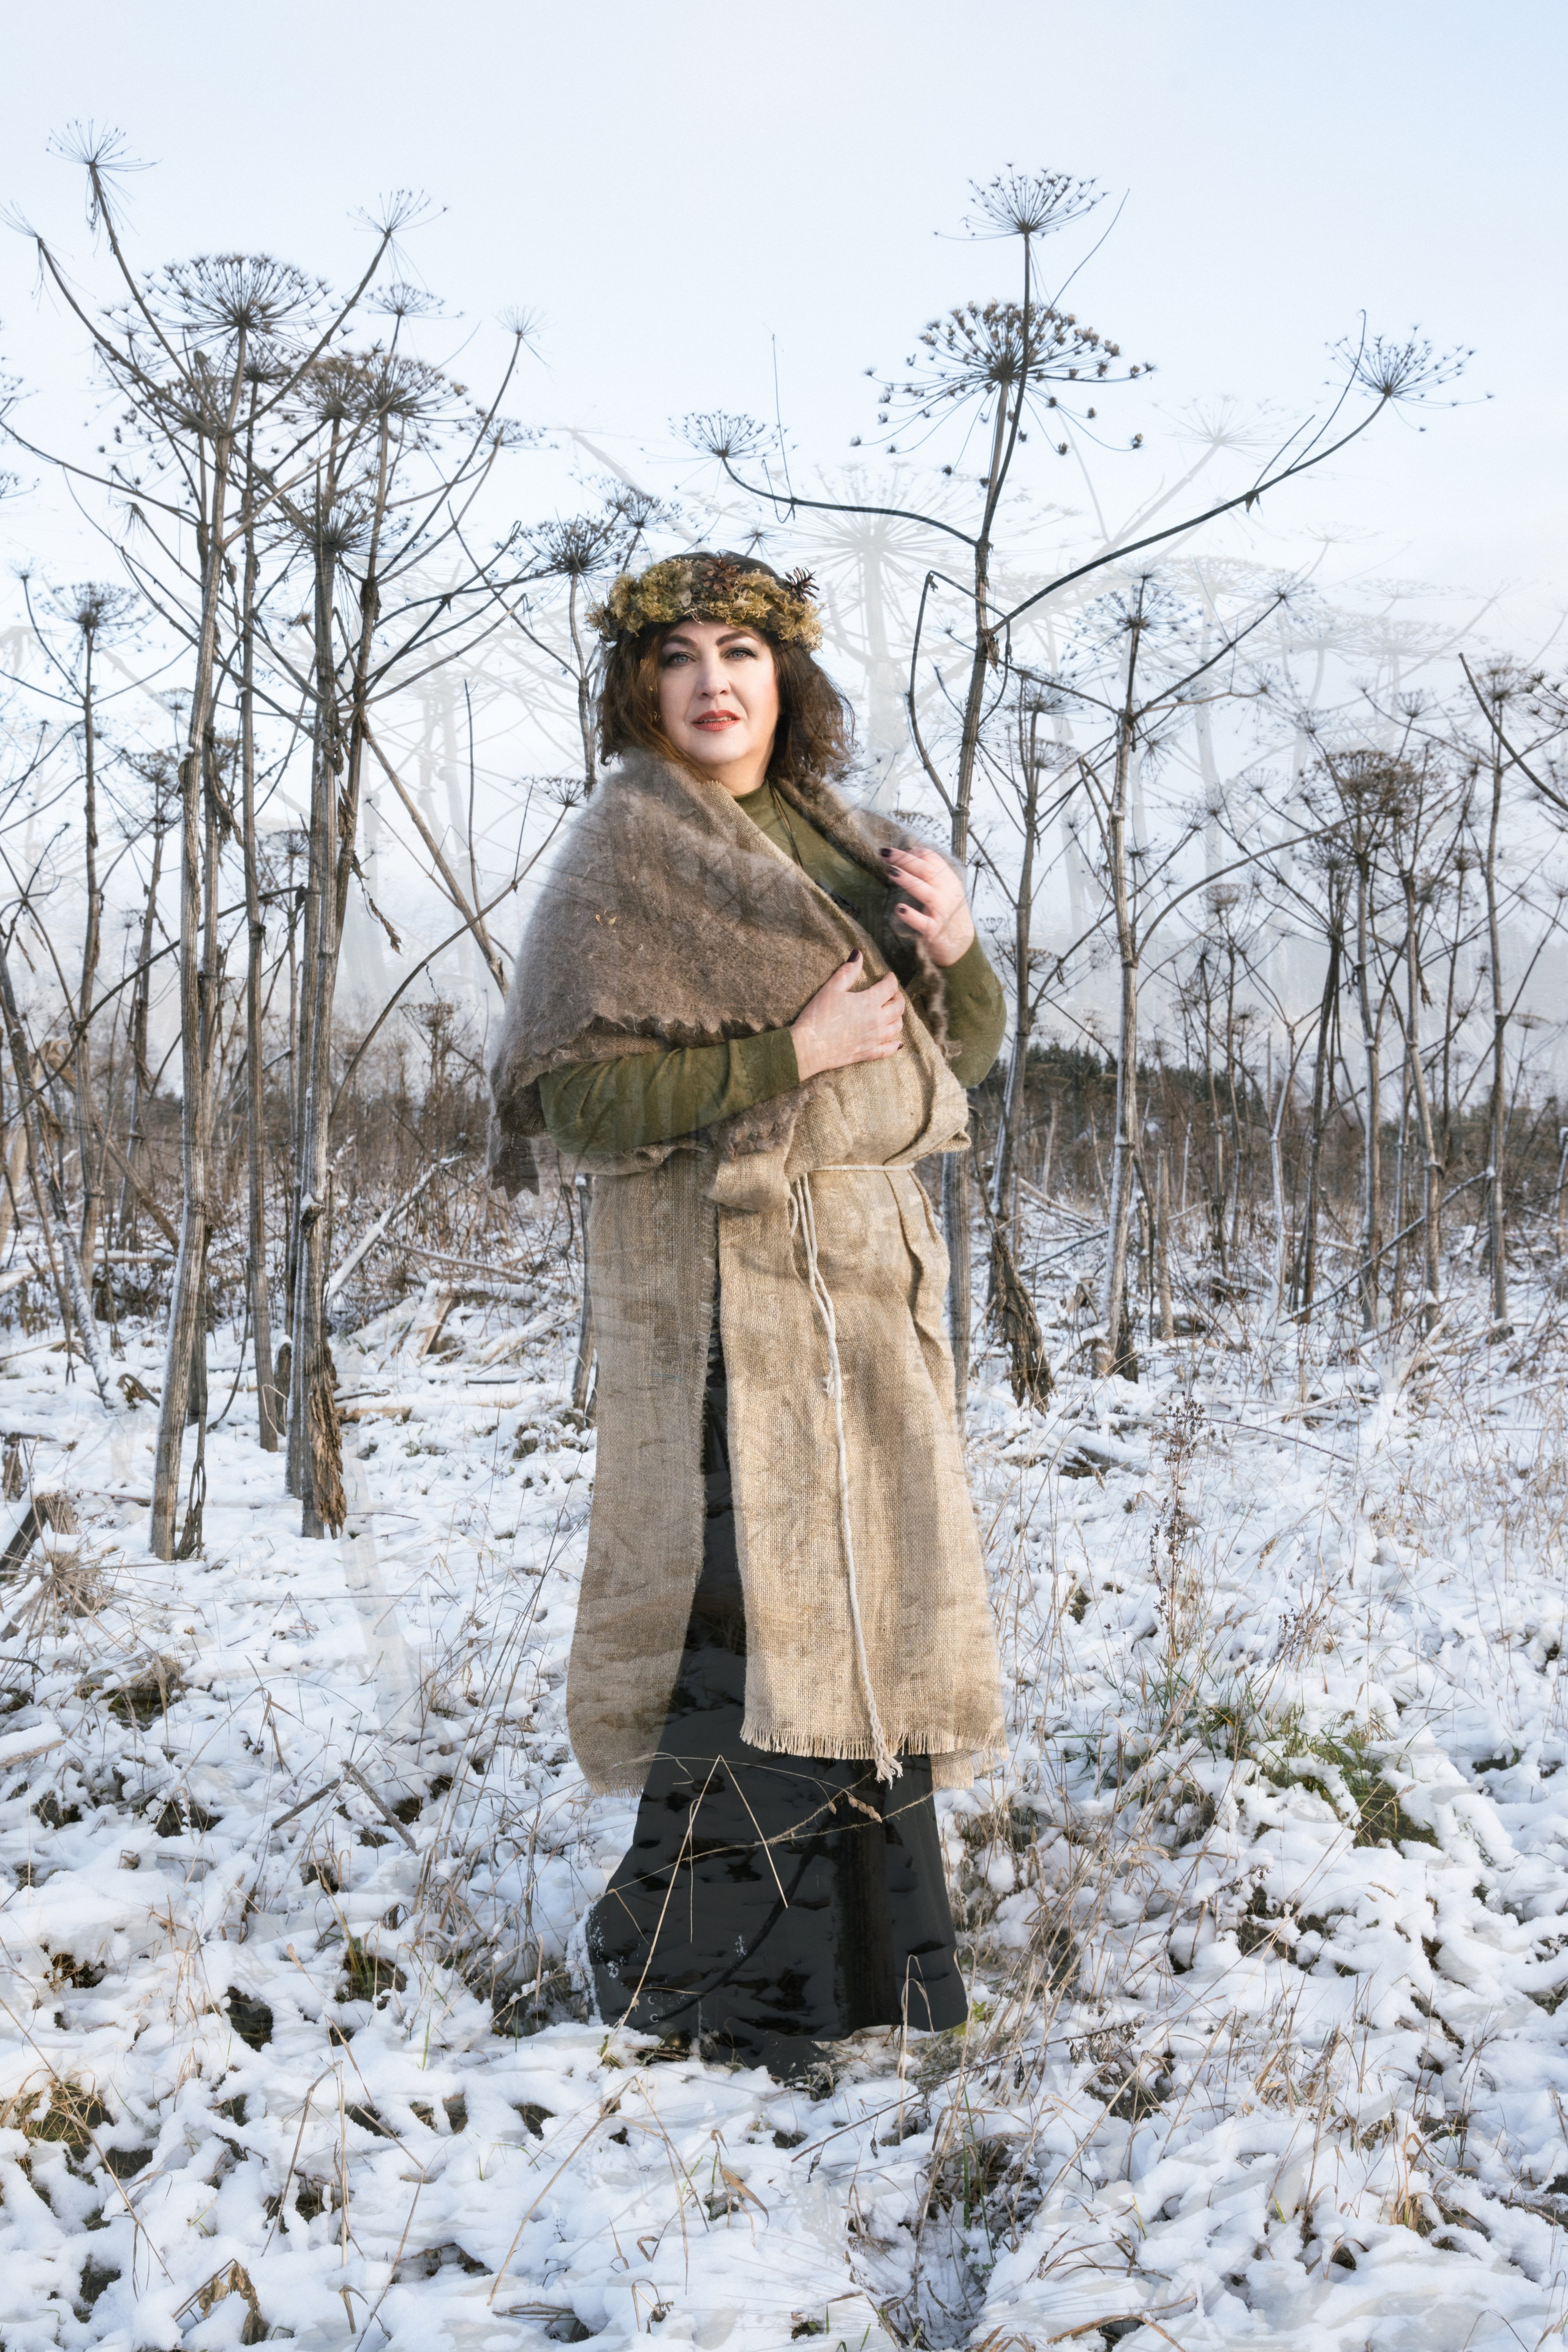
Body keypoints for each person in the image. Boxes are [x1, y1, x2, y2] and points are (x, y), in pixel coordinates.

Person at [488, 551, 1007, 2075]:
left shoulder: (839, 839)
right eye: (678, 656)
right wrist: (785, 1054)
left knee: (865, 1607)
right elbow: (570, 1104)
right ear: (637, 688)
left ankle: (873, 1968)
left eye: (743, 651)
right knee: (748, 1623)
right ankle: (690, 1979)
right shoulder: (623, 853)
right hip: (721, 1305)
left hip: (861, 1284)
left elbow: (940, 1062)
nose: (713, 680)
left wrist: (960, 953)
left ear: (788, 679)